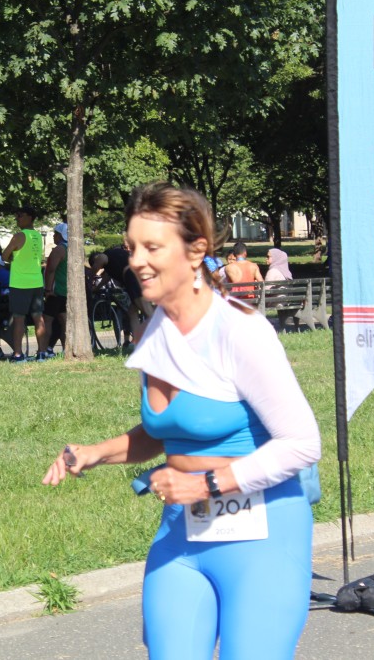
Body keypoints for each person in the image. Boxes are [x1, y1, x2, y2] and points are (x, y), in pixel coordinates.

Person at [43, 182, 321, 659]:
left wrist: (205, 484)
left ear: (196, 252)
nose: (137, 261)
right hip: (184, 534)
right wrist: (94, 453)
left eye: (152, 247)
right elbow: (166, 432)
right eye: (132, 247)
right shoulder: (157, 329)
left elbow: (301, 443)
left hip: (263, 537)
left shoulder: (239, 330)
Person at [1, 206, 47, 362]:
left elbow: (4, 255)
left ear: (30, 217)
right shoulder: (38, 236)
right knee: (38, 317)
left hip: (20, 283)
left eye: (20, 215)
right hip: (37, 282)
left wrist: (11, 258)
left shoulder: (19, 236)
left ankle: (18, 354)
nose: (17, 218)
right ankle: (41, 353)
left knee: (19, 319)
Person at [104, 240, 152, 347]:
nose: (127, 249)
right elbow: (107, 276)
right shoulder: (120, 257)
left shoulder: (130, 257)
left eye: (129, 247)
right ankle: (137, 341)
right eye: (125, 247)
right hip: (133, 281)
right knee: (132, 312)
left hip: (134, 279)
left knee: (146, 309)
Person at [41, 222, 68, 359]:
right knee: (64, 321)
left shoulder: (59, 250)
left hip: (56, 291)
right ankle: (66, 349)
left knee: (47, 320)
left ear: (61, 235)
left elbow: (51, 270)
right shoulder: (72, 249)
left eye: (55, 234)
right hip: (66, 291)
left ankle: (44, 349)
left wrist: (48, 289)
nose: (53, 236)